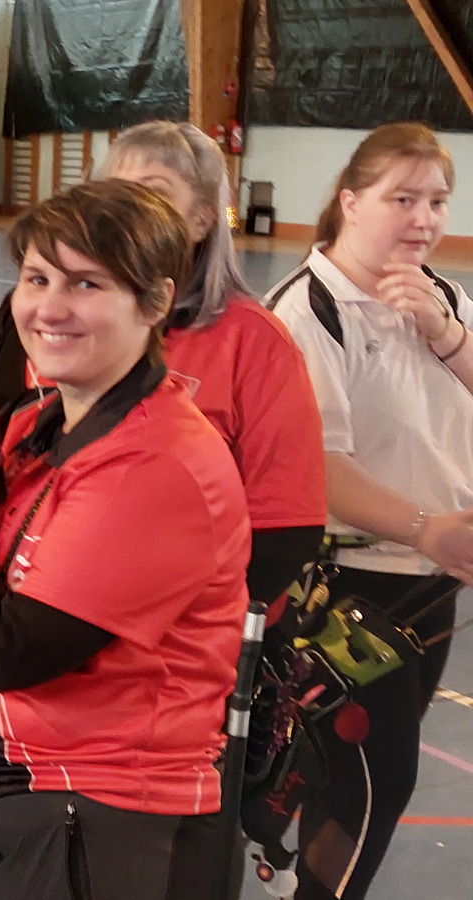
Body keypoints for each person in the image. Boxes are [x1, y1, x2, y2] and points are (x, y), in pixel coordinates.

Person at [0, 180, 252, 900]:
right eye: (37, 278)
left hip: (98, 811)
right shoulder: (37, 428)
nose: (49, 308)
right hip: (19, 792)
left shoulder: (154, 463)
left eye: (86, 283)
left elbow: (8, 648)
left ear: (155, 302)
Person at [267, 122, 473, 900]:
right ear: (351, 201)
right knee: (372, 782)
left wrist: (446, 335)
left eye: (438, 201)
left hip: (429, 581)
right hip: (348, 588)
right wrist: (427, 528)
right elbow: (316, 470)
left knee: (349, 778)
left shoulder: (440, 295)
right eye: (403, 199)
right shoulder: (308, 310)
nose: (424, 219)